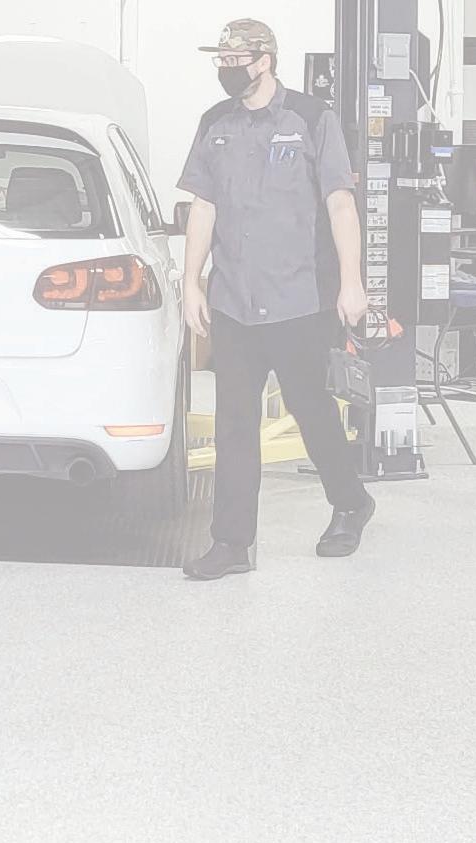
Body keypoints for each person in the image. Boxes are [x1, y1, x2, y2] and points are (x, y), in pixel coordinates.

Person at [173, 18, 378, 583]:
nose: (225, 68)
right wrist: (191, 281)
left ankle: (351, 503)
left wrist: (352, 281)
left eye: (234, 59)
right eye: (221, 59)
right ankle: (231, 542)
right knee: (234, 423)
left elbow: (340, 203)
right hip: (234, 300)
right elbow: (204, 206)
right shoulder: (214, 124)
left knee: (312, 411)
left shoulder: (312, 119)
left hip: (298, 299)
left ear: (264, 61)